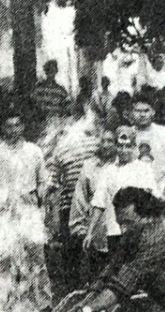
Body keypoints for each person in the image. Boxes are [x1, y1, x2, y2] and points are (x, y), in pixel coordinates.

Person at [45, 98, 103, 284]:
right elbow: (53, 182)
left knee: (97, 248)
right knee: (71, 251)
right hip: (69, 205)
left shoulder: (97, 142)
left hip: (95, 203)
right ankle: (73, 288)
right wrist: (52, 212)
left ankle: (95, 286)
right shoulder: (60, 147)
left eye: (73, 117)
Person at [83, 126, 158, 256]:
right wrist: (90, 232)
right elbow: (98, 203)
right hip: (115, 231)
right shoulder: (108, 171)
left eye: (128, 146)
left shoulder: (144, 169)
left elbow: (153, 199)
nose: (123, 150)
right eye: (120, 146)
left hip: (138, 230)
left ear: (134, 146)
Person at [69, 129, 117, 281]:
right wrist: (80, 229)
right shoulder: (89, 166)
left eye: (110, 141)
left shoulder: (123, 165)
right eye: (103, 141)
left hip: (119, 232)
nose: (106, 145)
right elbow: (80, 198)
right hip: (97, 233)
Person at [0, 112, 48, 206]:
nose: (14, 130)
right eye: (9, 126)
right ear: (3, 128)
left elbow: (42, 180)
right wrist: (13, 196)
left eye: (17, 125)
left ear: (22, 127)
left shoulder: (34, 151)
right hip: (5, 209)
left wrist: (38, 196)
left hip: (29, 208)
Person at [28, 59, 71, 143]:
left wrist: (62, 122)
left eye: (53, 70)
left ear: (56, 71)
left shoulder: (61, 90)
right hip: (41, 122)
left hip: (56, 122)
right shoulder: (38, 88)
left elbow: (67, 109)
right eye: (48, 70)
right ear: (45, 72)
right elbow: (32, 106)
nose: (51, 73)